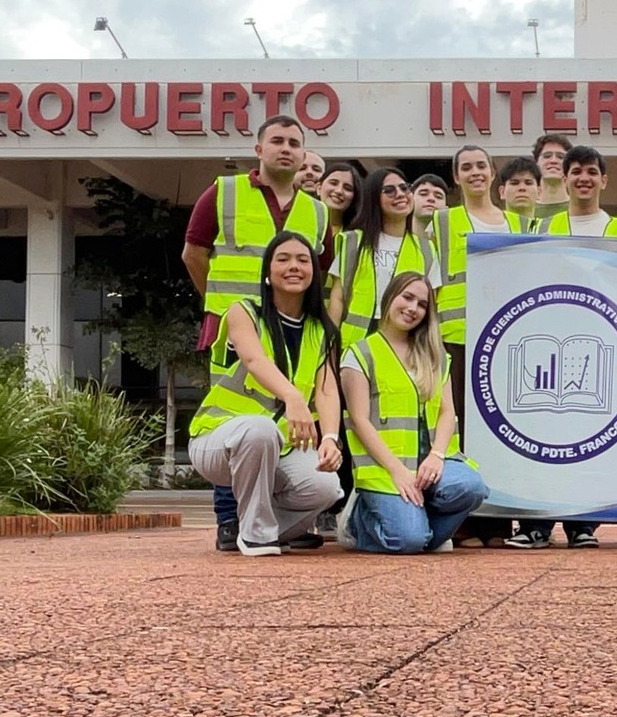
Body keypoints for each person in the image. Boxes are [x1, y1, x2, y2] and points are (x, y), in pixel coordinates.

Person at [180, 114, 328, 551]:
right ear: (258, 149)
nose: (286, 148)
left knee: (281, 416)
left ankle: (270, 517)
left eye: (294, 143)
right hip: (233, 332)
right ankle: (230, 519)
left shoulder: (317, 211)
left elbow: (320, 267)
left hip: (291, 328)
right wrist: (223, 309)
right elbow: (193, 254)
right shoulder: (222, 193)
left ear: (303, 155)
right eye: (277, 140)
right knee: (236, 418)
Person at [186, 230, 343, 556]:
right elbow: (254, 359)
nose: (294, 266)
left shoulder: (321, 329)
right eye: (283, 259)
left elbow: (327, 389)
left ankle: (259, 527)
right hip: (218, 441)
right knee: (259, 430)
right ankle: (256, 534)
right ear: (268, 273)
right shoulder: (244, 311)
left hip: (277, 449)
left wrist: (329, 437)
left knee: (326, 488)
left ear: (314, 271)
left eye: (303, 260)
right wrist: (295, 397)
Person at [508, 144, 617, 550]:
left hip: (606, 347)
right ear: (562, 180)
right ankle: (538, 525)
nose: (584, 178)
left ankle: (583, 523)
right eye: (575, 171)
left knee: (590, 435)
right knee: (544, 434)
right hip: (549, 345)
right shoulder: (540, 230)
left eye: (591, 171)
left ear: (604, 179)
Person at [339, 270, 489, 553]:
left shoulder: (434, 354)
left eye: (422, 304)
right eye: (407, 298)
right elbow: (359, 421)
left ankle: (418, 526)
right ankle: (358, 523)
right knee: (408, 540)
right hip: (386, 469)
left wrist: (437, 456)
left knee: (472, 487)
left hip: (429, 465)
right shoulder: (360, 353)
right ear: (389, 298)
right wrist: (397, 472)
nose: (413, 309)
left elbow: (447, 413)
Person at [435, 145, 521, 545]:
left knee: (504, 432)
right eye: (465, 167)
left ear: (493, 173)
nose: (474, 172)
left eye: (480, 166)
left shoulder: (520, 223)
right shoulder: (440, 223)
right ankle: (466, 522)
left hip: (509, 343)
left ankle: (500, 523)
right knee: (461, 433)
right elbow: (427, 284)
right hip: (457, 341)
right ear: (456, 177)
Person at [330, 168, 428, 334]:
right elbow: (337, 298)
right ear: (374, 199)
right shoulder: (353, 241)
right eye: (389, 190)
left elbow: (428, 305)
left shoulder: (427, 249)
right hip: (356, 342)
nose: (400, 194)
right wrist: (329, 343)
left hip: (405, 339)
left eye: (404, 188)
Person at [531, 132, 571, 225]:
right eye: (547, 156)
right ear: (536, 163)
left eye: (560, 157)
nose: (553, 161)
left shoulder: (580, 209)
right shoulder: (526, 209)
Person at [498, 154, 543, 224]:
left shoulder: (548, 231)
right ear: (502, 192)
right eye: (514, 183)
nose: (522, 188)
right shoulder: (490, 229)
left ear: (539, 192)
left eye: (528, 183)